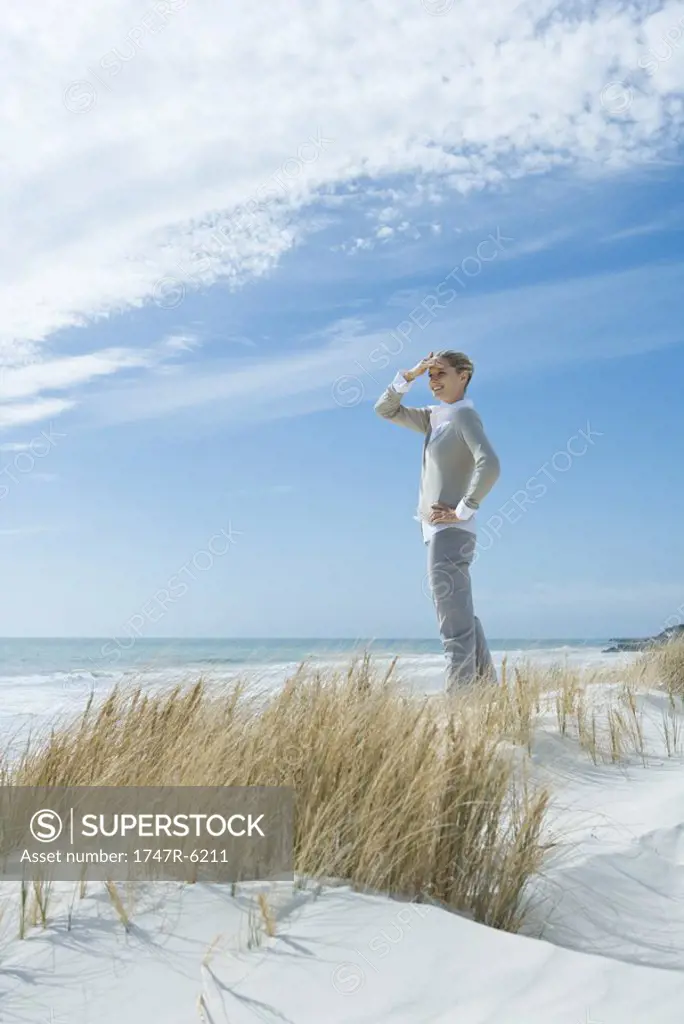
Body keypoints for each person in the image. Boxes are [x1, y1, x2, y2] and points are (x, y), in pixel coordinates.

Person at [374, 350, 500, 693]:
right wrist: (409, 376)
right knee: (462, 616)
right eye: (430, 375)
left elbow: (490, 464)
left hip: (451, 532)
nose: (434, 381)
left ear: (464, 375)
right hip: (439, 533)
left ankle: (460, 705)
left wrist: (464, 509)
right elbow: (385, 409)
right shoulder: (435, 417)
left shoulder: (464, 418)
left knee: (453, 626)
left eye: (440, 373)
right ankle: (489, 692)